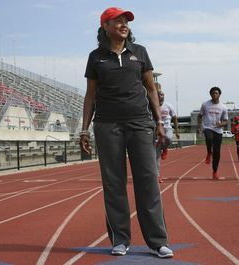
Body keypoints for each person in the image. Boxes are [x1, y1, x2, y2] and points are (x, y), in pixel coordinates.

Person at [79, 7, 173, 258]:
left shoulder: (139, 52)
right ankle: (120, 239)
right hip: (107, 125)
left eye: (126, 21)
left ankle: (157, 241)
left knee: (148, 182)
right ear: (105, 27)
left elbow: (151, 88)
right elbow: (90, 95)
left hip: (140, 124)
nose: (123, 24)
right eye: (117, 21)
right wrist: (83, 130)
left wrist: (159, 123)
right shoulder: (96, 57)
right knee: (114, 183)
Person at [197, 87, 228, 180]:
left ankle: (215, 171)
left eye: (216, 93)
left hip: (218, 130)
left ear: (219, 94)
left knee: (217, 152)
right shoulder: (205, 104)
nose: (215, 95)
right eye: (213, 93)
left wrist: (221, 124)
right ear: (210, 94)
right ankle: (209, 152)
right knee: (209, 138)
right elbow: (200, 116)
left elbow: (226, 121)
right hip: (208, 127)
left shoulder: (223, 107)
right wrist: (199, 127)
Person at [156, 89, 180, 183]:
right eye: (159, 94)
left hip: (168, 128)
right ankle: (158, 176)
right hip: (157, 130)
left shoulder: (168, 106)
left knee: (169, 138)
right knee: (156, 155)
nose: (161, 96)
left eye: (162, 94)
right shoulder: (153, 106)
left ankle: (165, 148)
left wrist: (177, 131)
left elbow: (174, 118)